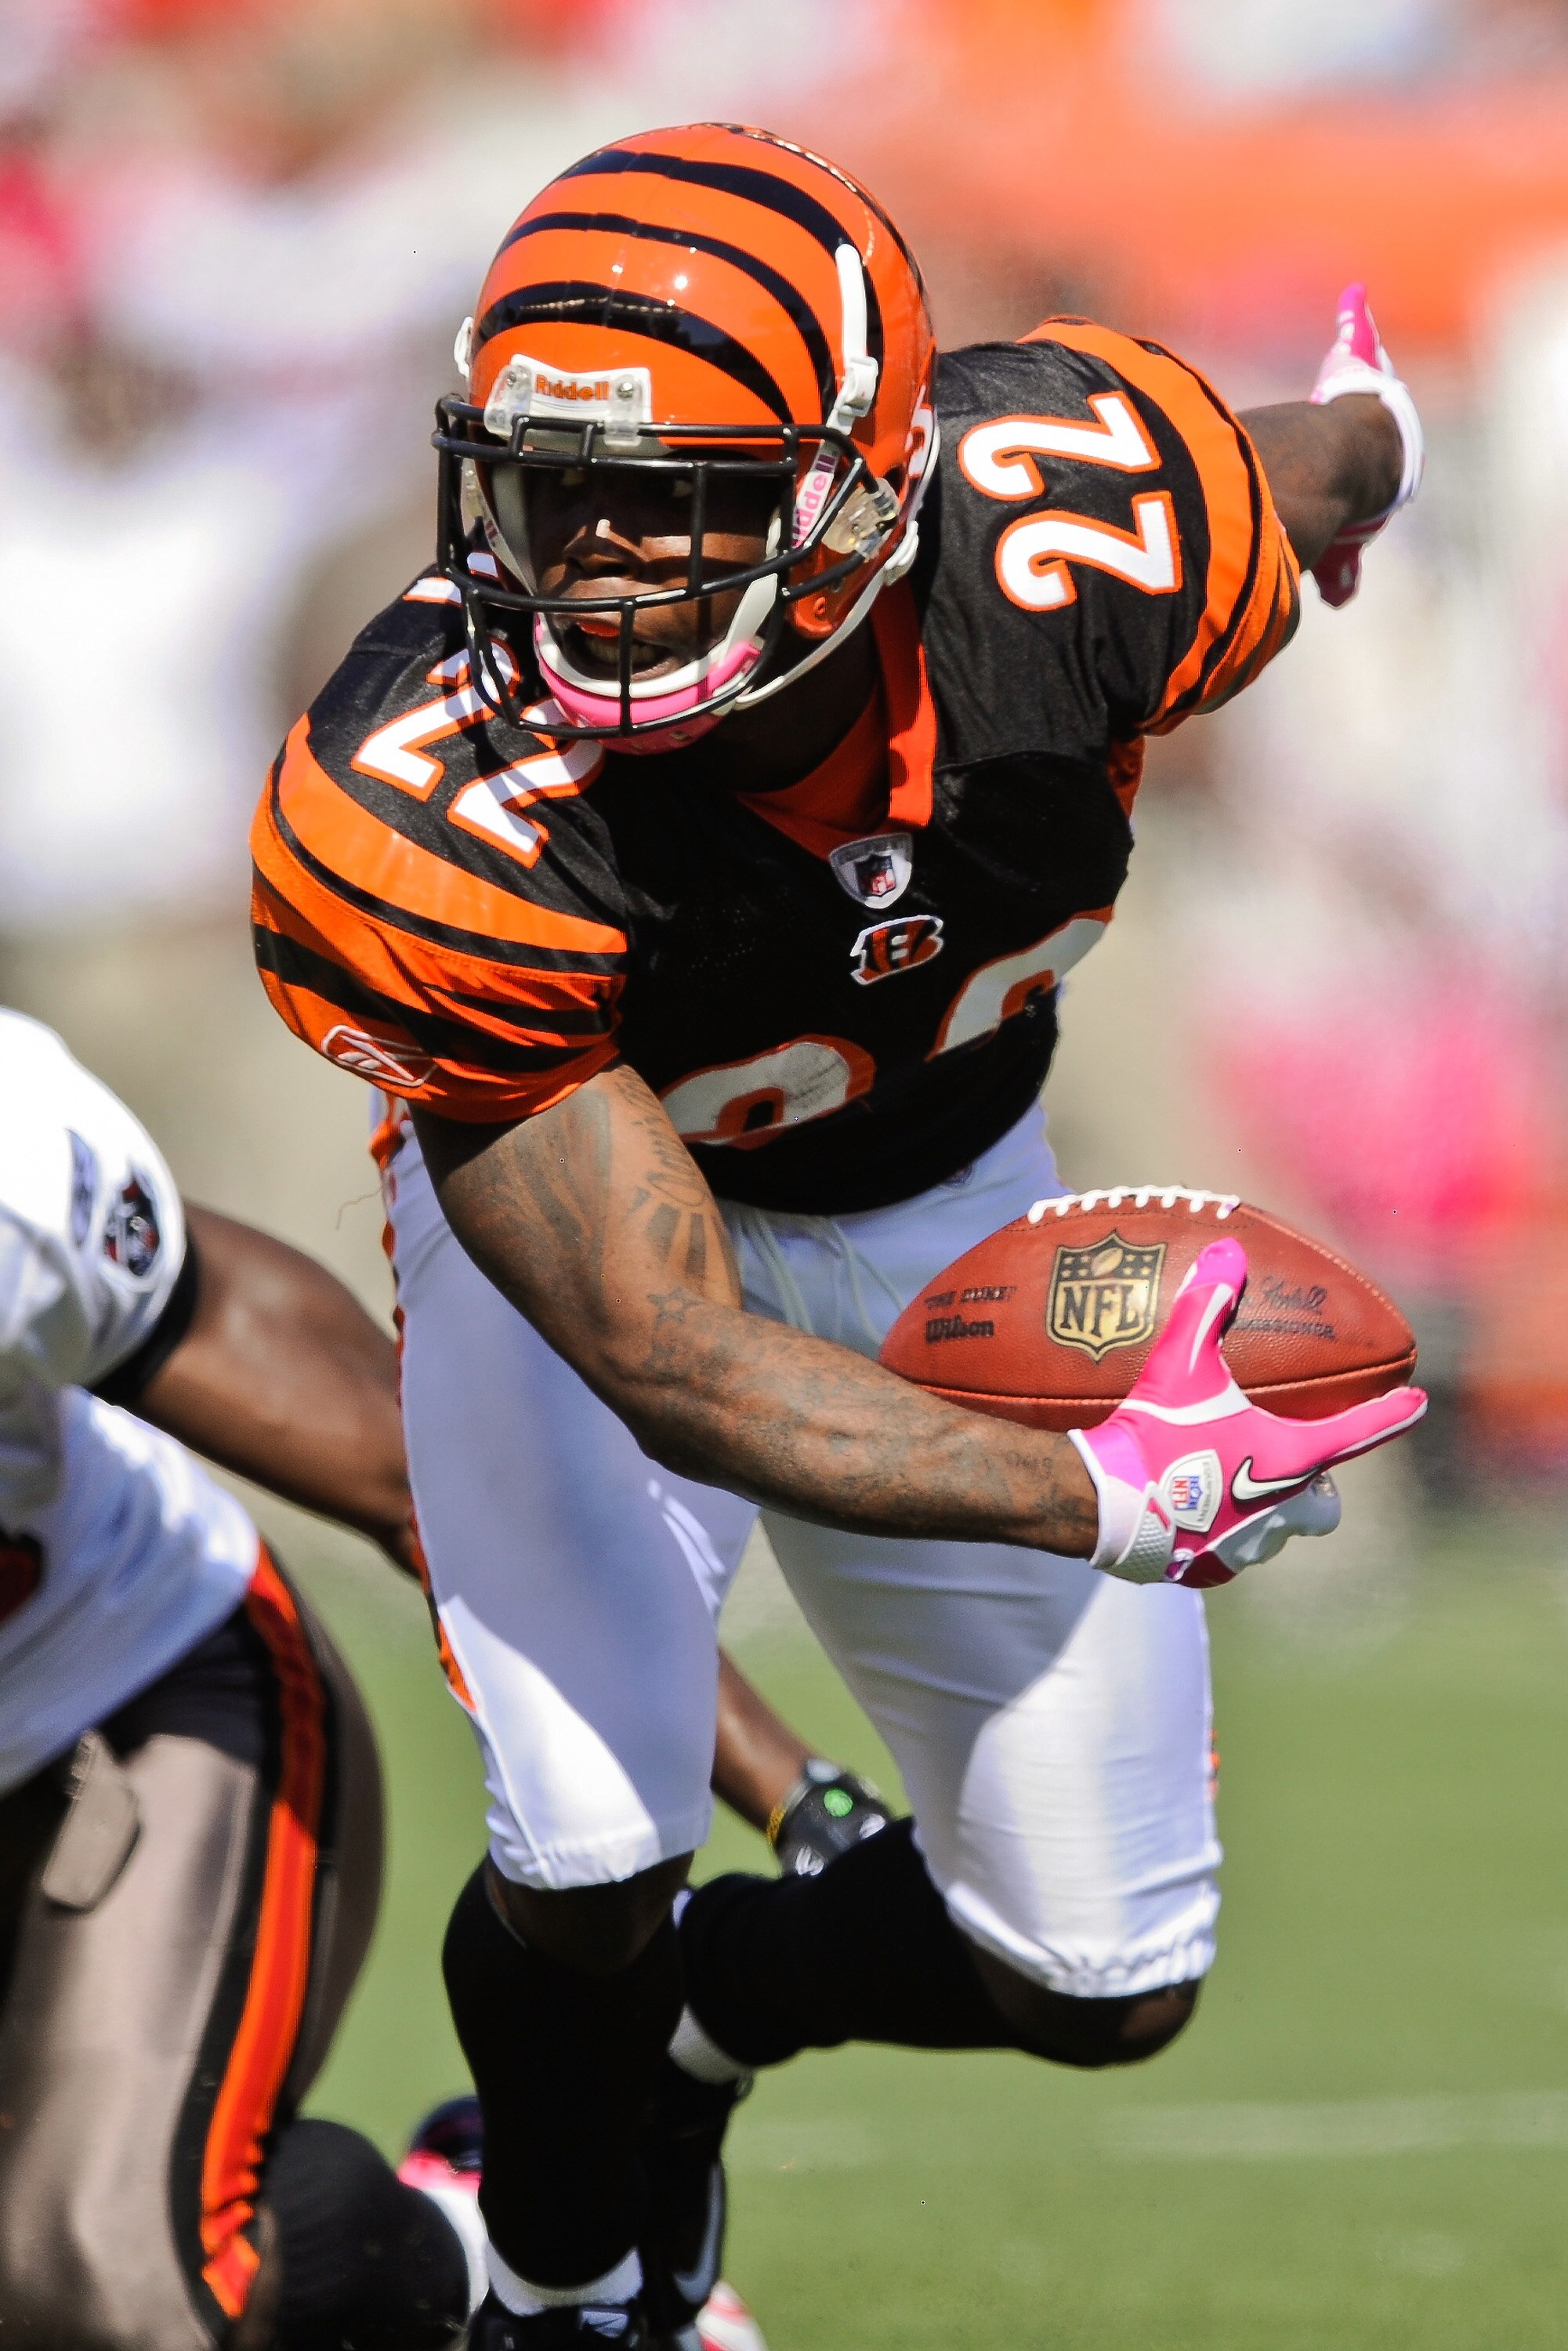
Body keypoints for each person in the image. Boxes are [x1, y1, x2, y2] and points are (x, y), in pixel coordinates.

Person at [250, 123, 1426, 2347]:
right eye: (543, 491)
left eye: (671, 504)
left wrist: (1382, 429)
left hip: (951, 1199)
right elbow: (670, 1348)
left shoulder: (1095, 537)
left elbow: (1316, 467)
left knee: (1098, 1980)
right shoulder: (426, 809)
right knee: (586, 1839)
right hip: (602, 1239)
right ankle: (567, 2275)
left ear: (868, 497)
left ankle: (708, 2028)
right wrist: (1097, 1481)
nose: (588, 565)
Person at [0, 1004, 869, 2349]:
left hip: (111, 1706)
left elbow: (390, 1463)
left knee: (99, 2291)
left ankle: (465, 2242)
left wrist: (785, 1785)